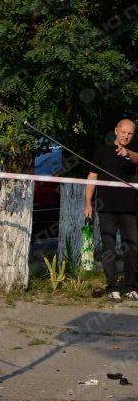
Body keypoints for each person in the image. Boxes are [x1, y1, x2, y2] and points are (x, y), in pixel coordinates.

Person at [85, 119, 138, 303]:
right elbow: (92, 177)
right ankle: (113, 287)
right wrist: (88, 204)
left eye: (130, 133)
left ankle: (130, 286)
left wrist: (128, 153)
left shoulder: (133, 151)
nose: (126, 136)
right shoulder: (102, 151)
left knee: (132, 247)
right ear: (116, 130)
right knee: (108, 248)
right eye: (124, 132)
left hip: (129, 209)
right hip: (105, 208)